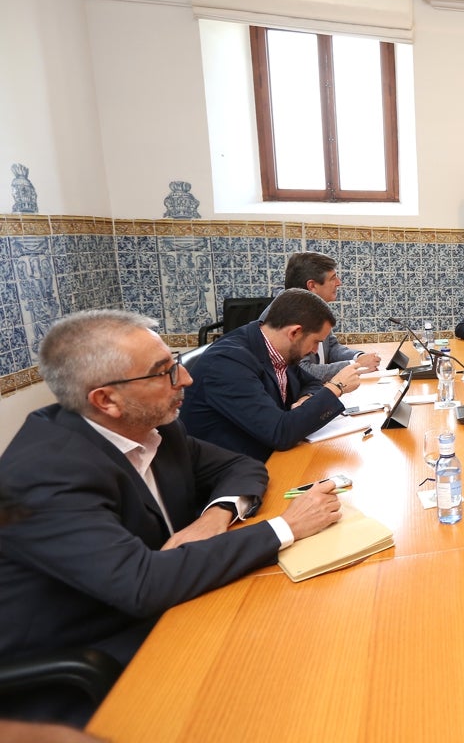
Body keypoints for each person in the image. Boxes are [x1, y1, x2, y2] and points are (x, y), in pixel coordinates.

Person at [0, 310, 342, 723]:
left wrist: (215, 516)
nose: (187, 380)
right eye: (164, 372)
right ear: (106, 400)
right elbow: (141, 583)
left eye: (175, 363)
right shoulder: (43, 474)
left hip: (174, 610)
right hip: (89, 670)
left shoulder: (154, 428)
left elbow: (241, 466)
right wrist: (287, 526)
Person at [181, 289, 362, 461]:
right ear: (294, 332)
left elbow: (311, 382)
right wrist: (336, 387)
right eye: (316, 342)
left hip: (265, 454)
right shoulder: (228, 362)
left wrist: (306, 398)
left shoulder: (276, 348)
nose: (315, 351)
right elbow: (280, 433)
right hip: (234, 469)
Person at [279, 252, 381, 380]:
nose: (339, 283)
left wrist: (358, 357)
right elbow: (303, 371)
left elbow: (331, 347)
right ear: (312, 286)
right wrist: (355, 364)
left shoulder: (315, 309)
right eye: (333, 278)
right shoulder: (289, 315)